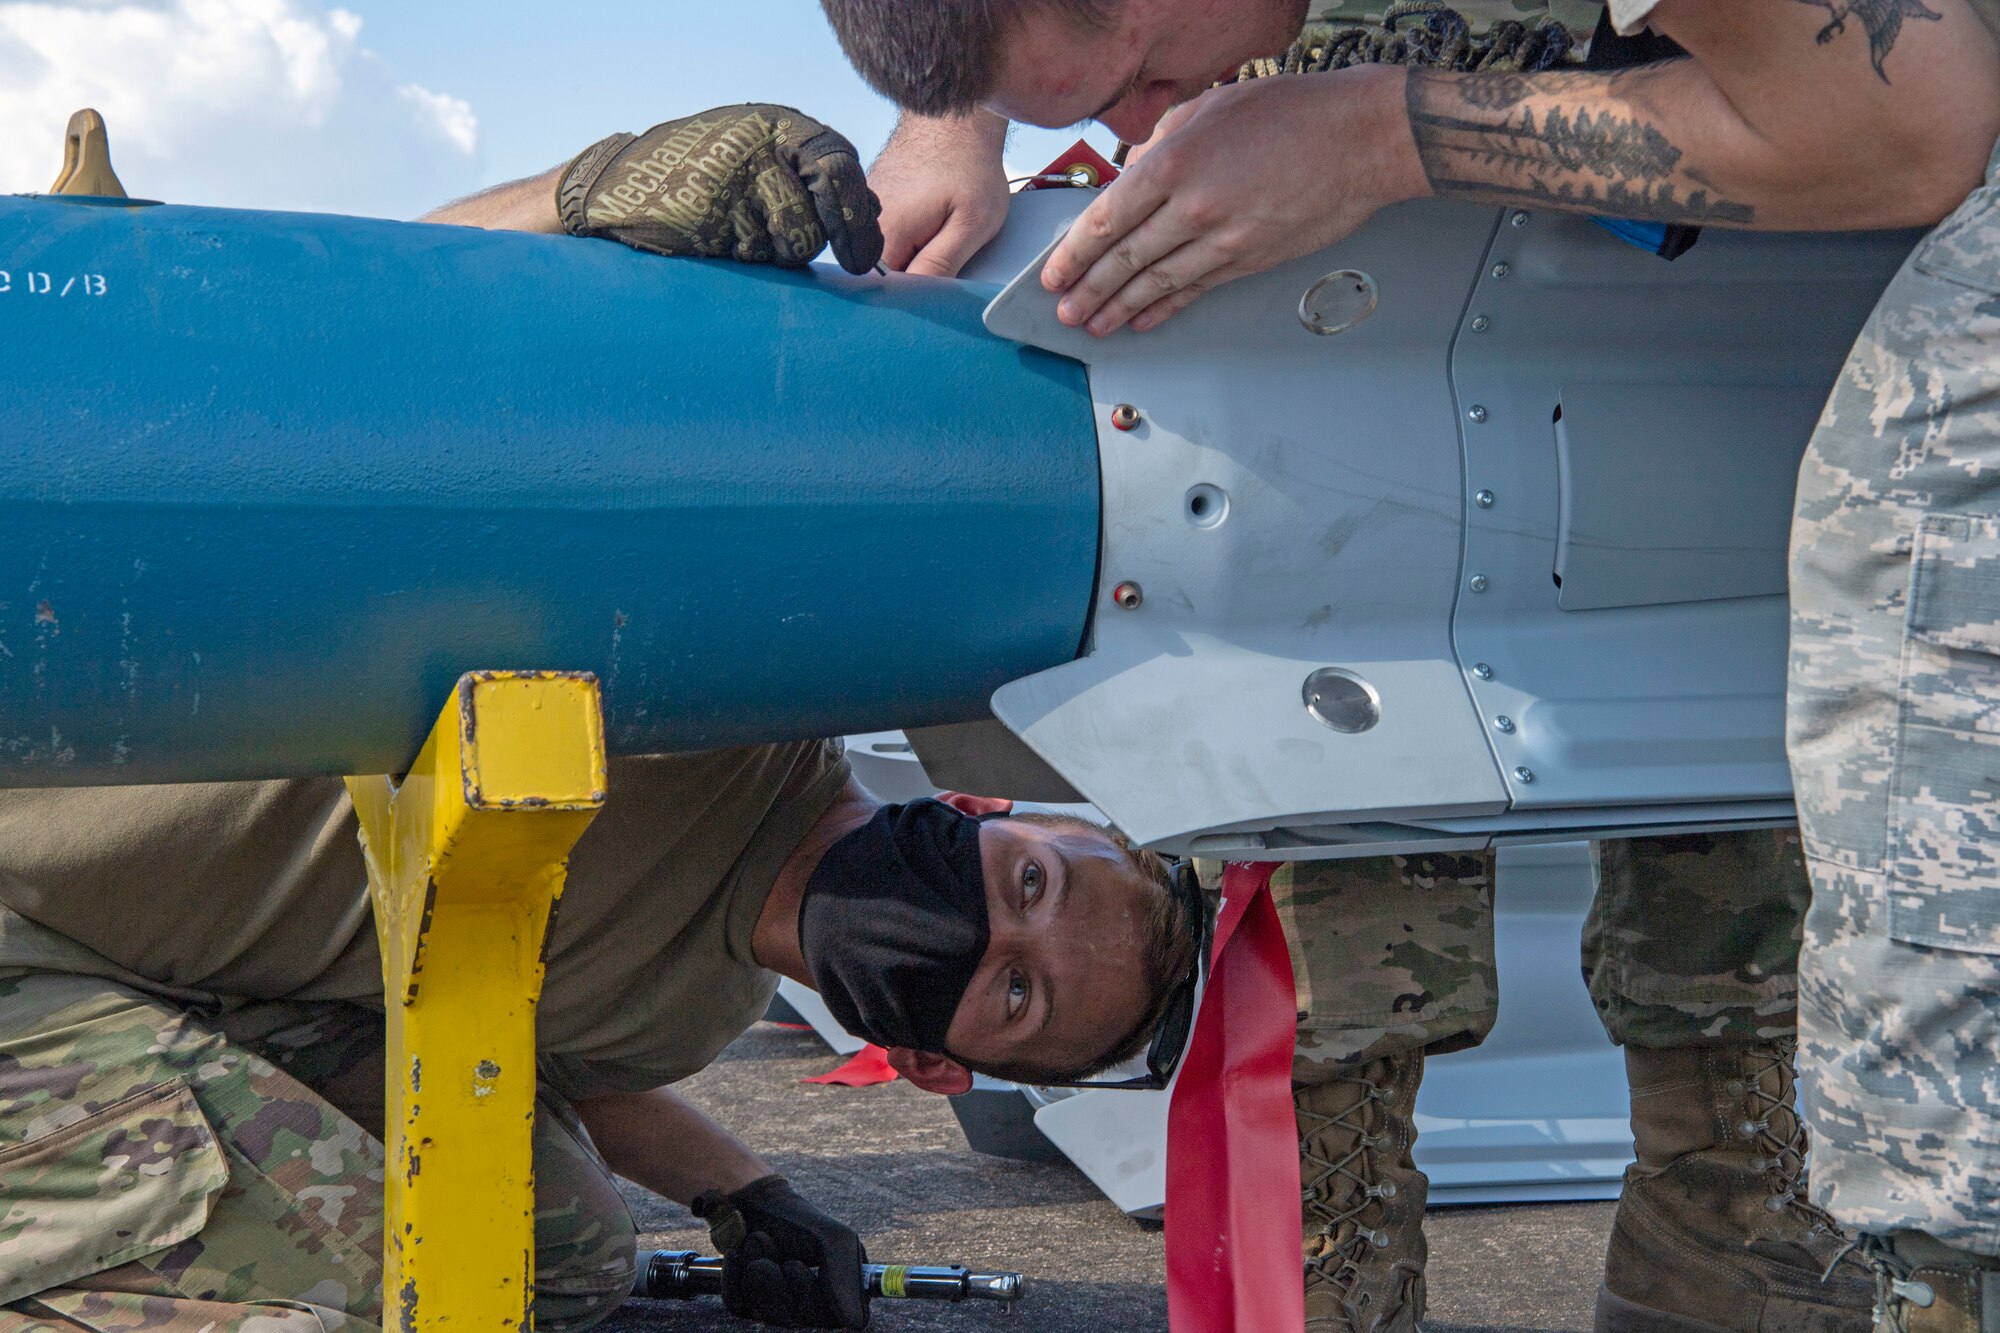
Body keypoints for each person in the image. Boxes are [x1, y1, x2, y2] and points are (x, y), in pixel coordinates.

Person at [814, 3, 2000, 1331]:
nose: (1141, 128)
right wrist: (946, 124)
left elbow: (1907, 122)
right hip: (1309, 325)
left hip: (1710, 271)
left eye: (1141, 77)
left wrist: (1377, 135)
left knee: (1735, 969)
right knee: (1322, 1015)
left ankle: (1733, 1279)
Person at [0, 107, 1204, 1333]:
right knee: (375, 1283)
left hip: (116, 967)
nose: (989, 924)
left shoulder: (692, 1014)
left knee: (565, 1262)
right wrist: (583, 197)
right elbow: (358, 358)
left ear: (934, 1066)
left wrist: (745, 1191)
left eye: (1012, 994)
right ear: (989, 813)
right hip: (19, 898)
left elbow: (543, 1056)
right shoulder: (740, 691)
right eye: (1032, 886)